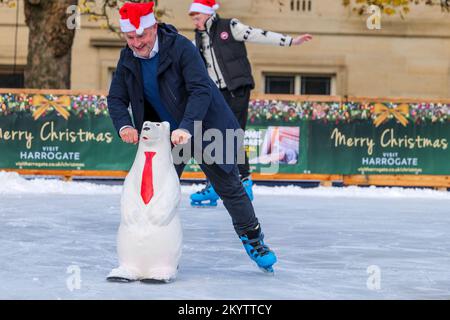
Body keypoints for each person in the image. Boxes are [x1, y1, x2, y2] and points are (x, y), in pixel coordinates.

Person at [107, 2, 277, 273]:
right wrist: (124, 125)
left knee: (229, 186)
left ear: (153, 28)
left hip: (206, 126)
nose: (136, 43)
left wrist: (186, 126)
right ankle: (150, 251)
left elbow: (200, 90)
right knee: (154, 191)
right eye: (130, 37)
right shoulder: (127, 57)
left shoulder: (181, 48)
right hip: (166, 136)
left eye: (142, 36)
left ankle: (254, 239)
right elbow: (116, 97)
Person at [188, 0, 312, 205]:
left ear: (208, 13)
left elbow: (259, 34)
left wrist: (291, 41)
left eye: (197, 15)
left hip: (237, 89)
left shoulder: (230, 27)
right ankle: (214, 184)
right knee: (213, 136)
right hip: (216, 94)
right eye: (192, 17)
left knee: (233, 133)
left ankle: (244, 181)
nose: (194, 20)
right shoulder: (198, 39)